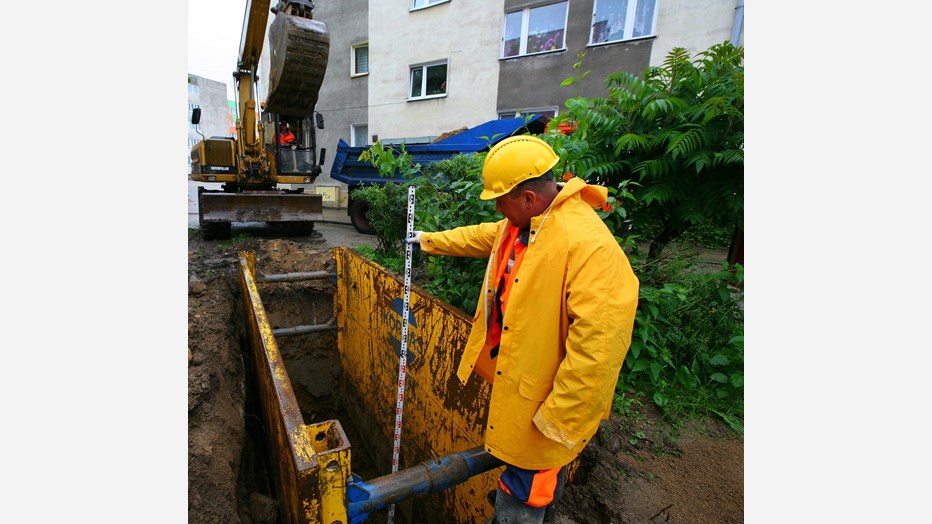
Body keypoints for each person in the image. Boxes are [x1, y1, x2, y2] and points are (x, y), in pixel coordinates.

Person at [406, 135, 639, 523]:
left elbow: (597, 354)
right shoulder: (530, 224)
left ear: (528, 197)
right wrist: (428, 240)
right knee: (528, 481)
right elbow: (482, 236)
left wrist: (557, 424)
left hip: (548, 412)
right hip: (523, 391)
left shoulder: (589, 248)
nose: (497, 208)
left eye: (500, 200)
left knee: (526, 493)